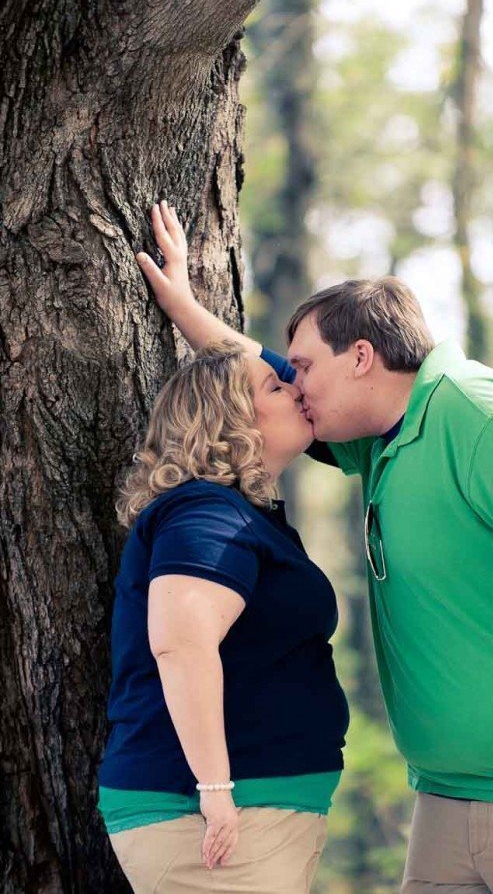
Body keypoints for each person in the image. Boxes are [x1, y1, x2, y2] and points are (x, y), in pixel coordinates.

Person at [138, 201, 493, 893]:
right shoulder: (383, 439)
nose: (294, 385)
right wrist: (184, 307)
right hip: (444, 802)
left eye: (306, 367)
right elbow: (262, 375)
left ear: (361, 356)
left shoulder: (474, 411)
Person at [97, 338, 350, 893]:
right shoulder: (205, 511)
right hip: (211, 816)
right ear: (229, 420)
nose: (296, 388)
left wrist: (189, 309)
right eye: (276, 386)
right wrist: (215, 788)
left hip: (252, 813)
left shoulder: (239, 516)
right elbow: (182, 644)